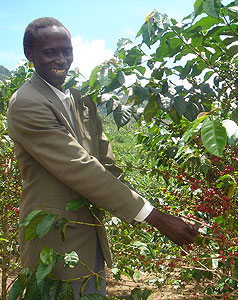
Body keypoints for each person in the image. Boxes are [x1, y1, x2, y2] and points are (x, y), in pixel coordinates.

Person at [7, 17, 198, 298]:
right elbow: (82, 169)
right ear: (30, 55)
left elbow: (106, 165)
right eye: (50, 52)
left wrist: (148, 209)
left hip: (88, 232)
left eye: (66, 51)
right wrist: (155, 218)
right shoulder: (27, 103)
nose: (61, 59)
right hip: (55, 241)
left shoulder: (79, 100)